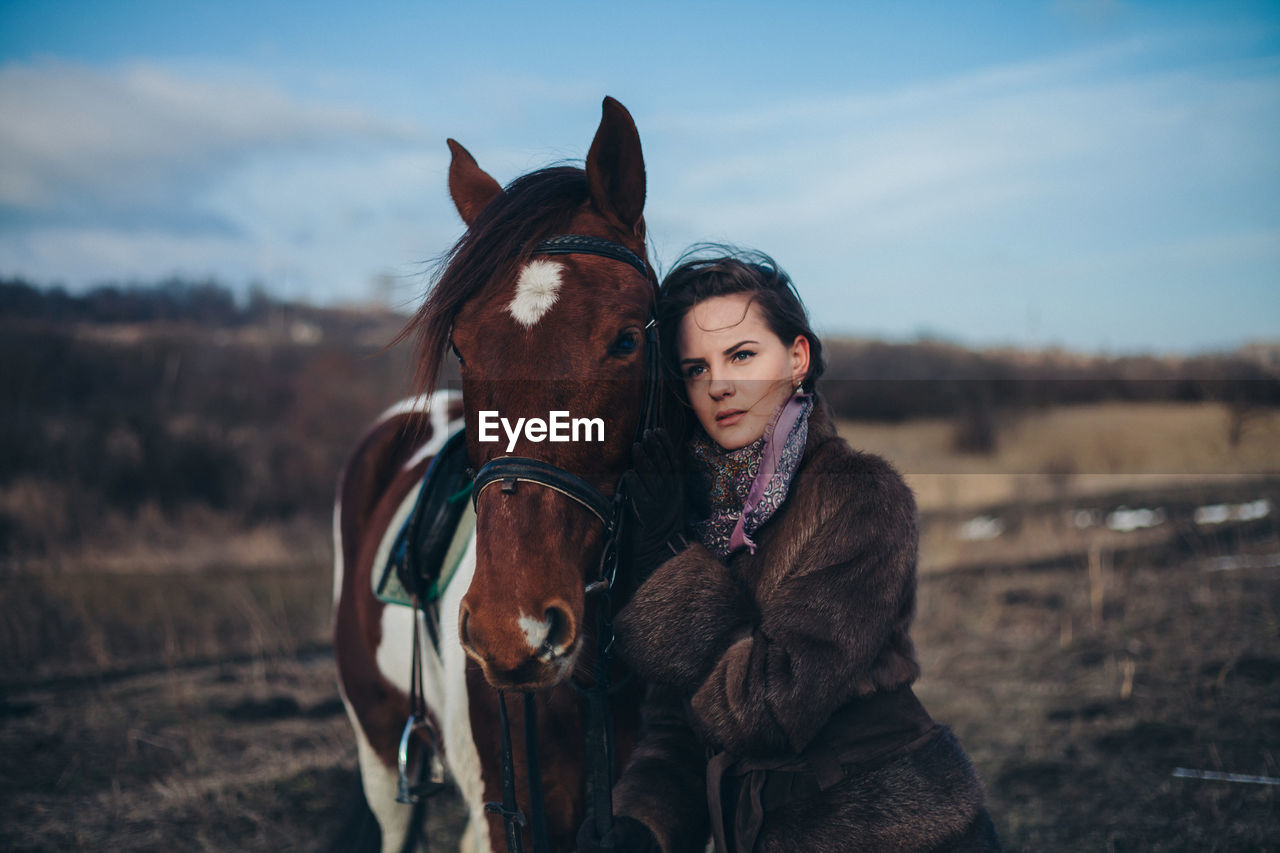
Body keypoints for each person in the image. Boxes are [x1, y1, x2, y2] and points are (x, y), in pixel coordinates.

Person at [578, 249, 1000, 852]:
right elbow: (679, 729)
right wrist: (641, 826)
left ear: (797, 358)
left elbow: (766, 708)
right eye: (695, 369)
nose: (719, 384)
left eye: (742, 355)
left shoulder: (860, 496)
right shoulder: (695, 512)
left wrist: (668, 568)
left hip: (893, 830)